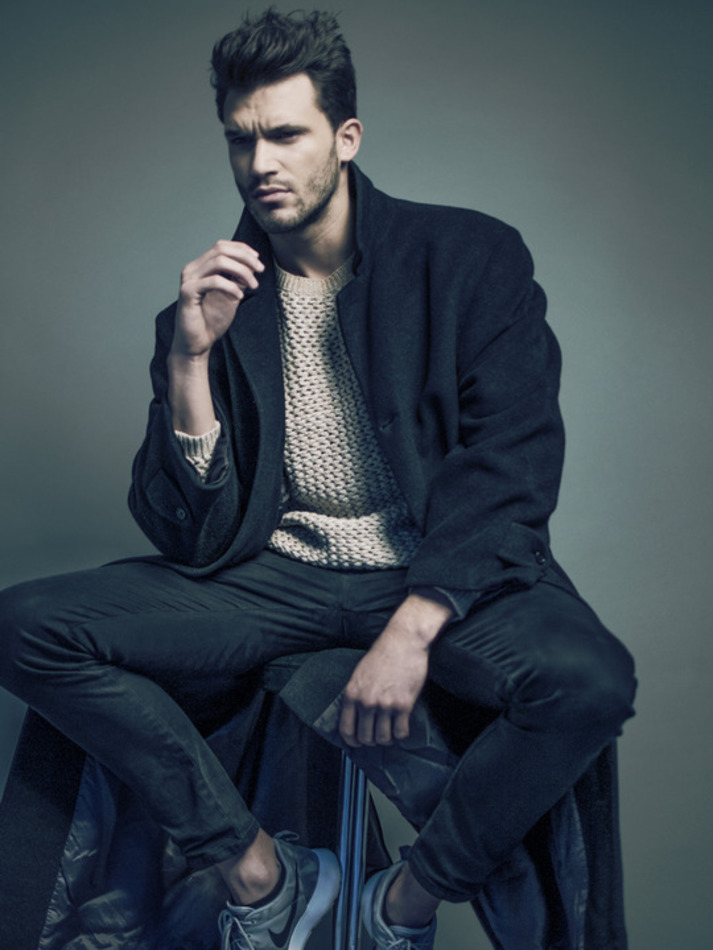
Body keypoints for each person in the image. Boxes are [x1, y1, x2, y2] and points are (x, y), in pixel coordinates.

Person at [0, 9, 637, 950]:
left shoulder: (467, 257)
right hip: (277, 580)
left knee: (589, 682)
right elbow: (190, 538)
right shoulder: (209, 306)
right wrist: (187, 362)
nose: (260, 162)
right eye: (241, 139)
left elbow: (513, 461)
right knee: (26, 624)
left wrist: (412, 629)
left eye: (286, 134)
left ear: (345, 137)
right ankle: (262, 875)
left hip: (431, 573)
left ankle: (402, 903)